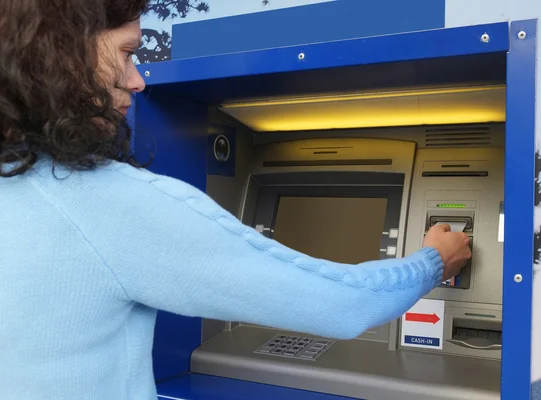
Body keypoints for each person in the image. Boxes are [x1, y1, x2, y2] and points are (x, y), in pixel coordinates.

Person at [0, 1, 472, 399]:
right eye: (126, 53)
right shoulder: (107, 204)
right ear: (61, 57)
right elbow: (345, 304)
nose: (138, 80)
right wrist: (435, 261)